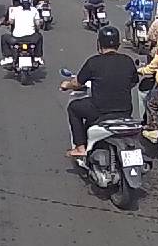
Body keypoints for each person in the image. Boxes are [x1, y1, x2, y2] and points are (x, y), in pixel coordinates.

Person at [59, 26, 138, 158]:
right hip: (125, 110)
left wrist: (66, 85)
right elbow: (133, 82)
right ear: (118, 44)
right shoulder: (128, 60)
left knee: (73, 108)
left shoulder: (93, 62)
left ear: (99, 44)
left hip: (100, 110)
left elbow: (77, 83)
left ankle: (80, 148)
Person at [0, 0, 44, 66]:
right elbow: (38, 24)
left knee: (4, 37)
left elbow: (11, 22)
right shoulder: (34, 10)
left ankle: (8, 57)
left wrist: (4, 23)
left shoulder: (14, 10)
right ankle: (37, 57)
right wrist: (37, 28)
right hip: (31, 38)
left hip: (16, 38)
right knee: (39, 36)